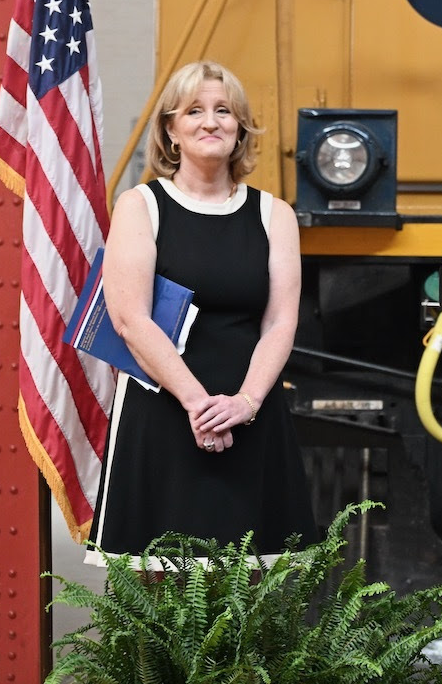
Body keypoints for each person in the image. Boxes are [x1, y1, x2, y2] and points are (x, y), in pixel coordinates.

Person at [87, 60, 316, 562]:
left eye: (223, 111)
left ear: (240, 129)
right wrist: (198, 405)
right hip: (163, 413)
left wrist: (245, 404)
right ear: (171, 128)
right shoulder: (139, 205)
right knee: (158, 591)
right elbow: (129, 319)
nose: (210, 121)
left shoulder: (274, 215)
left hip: (248, 414)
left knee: (253, 588)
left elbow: (280, 321)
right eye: (194, 110)